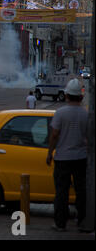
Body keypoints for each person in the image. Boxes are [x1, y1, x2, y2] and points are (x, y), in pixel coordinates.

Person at [46, 78, 88, 232]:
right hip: (81, 158)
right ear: (81, 97)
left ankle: (60, 223)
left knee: (61, 192)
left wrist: (50, 153)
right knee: (81, 191)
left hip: (62, 158)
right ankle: (83, 221)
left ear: (66, 95)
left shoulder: (60, 113)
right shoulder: (86, 114)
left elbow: (54, 135)